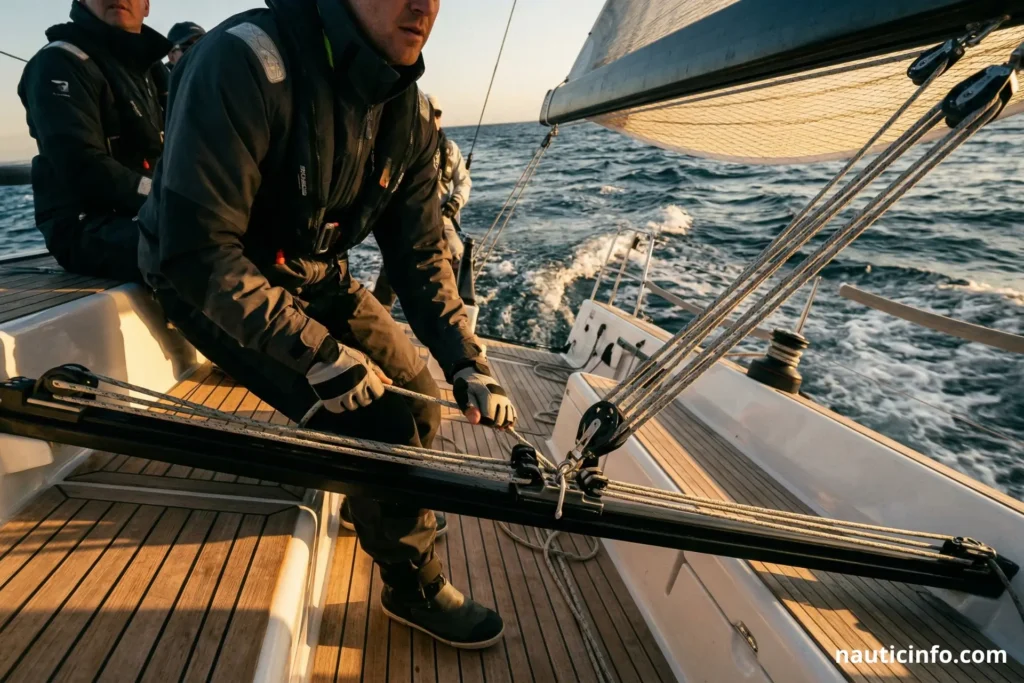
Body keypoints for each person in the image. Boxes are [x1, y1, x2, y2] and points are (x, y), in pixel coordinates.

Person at [138, 0, 516, 650]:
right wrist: (314, 352)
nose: (424, 5)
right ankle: (411, 582)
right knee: (380, 422)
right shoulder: (245, 61)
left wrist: (466, 360)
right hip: (205, 272)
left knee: (421, 400)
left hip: (311, 268)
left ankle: (385, 500)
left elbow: (421, 257)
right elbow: (199, 251)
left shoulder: (409, 116)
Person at [17, 0, 170, 282]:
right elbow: (81, 163)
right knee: (194, 246)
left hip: (155, 213)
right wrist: (171, 200)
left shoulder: (154, 70)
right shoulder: (58, 63)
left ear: (146, 5)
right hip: (84, 227)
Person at [373, 93, 470, 308]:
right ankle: (380, 311)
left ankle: (452, 310)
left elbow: (464, 182)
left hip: (442, 217)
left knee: (455, 253)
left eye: (438, 114)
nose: (433, 118)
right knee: (394, 262)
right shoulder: (405, 145)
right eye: (429, 113)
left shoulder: (450, 149)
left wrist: (454, 203)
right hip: (409, 215)